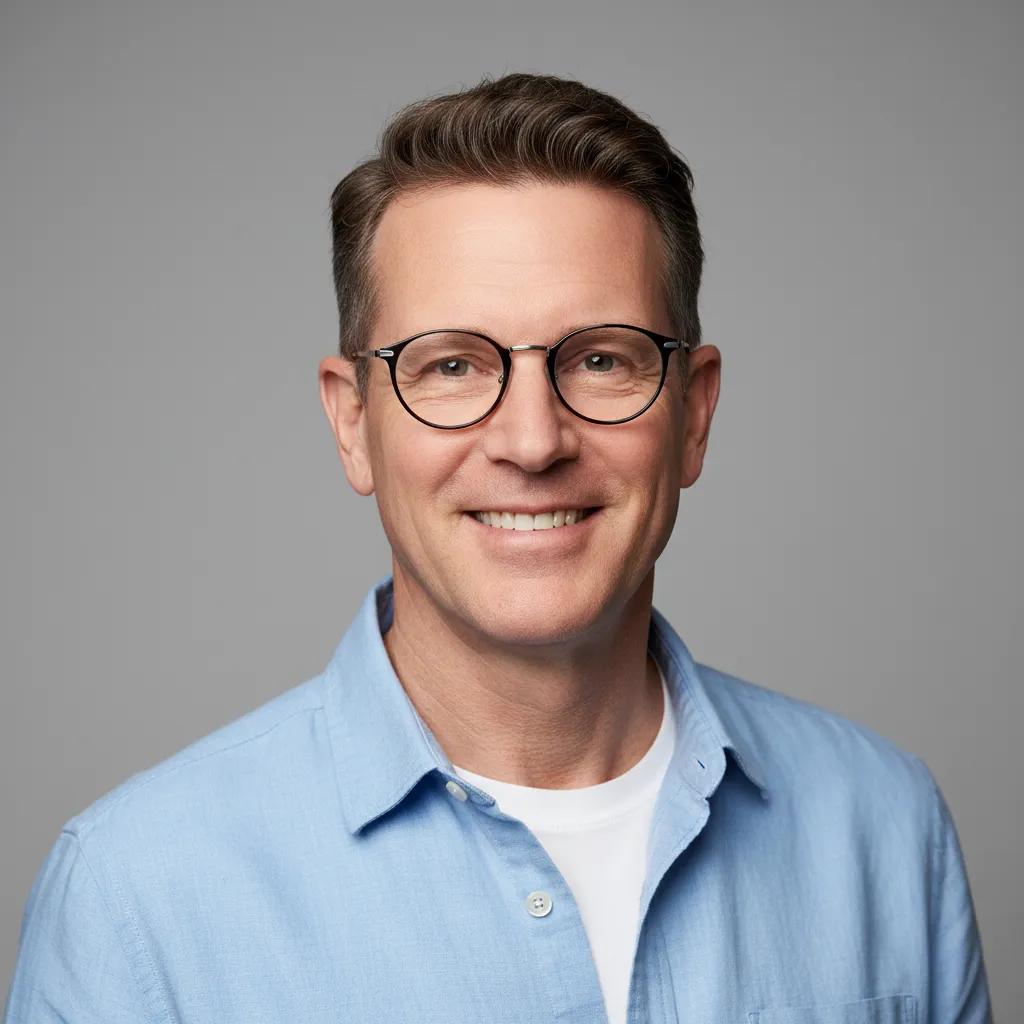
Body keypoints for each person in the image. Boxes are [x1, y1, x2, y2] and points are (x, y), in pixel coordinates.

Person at [5, 72, 992, 1024]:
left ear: (692, 415)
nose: (531, 441)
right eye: (451, 366)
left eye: (600, 358)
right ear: (353, 422)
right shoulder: (136, 897)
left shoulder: (884, 825)